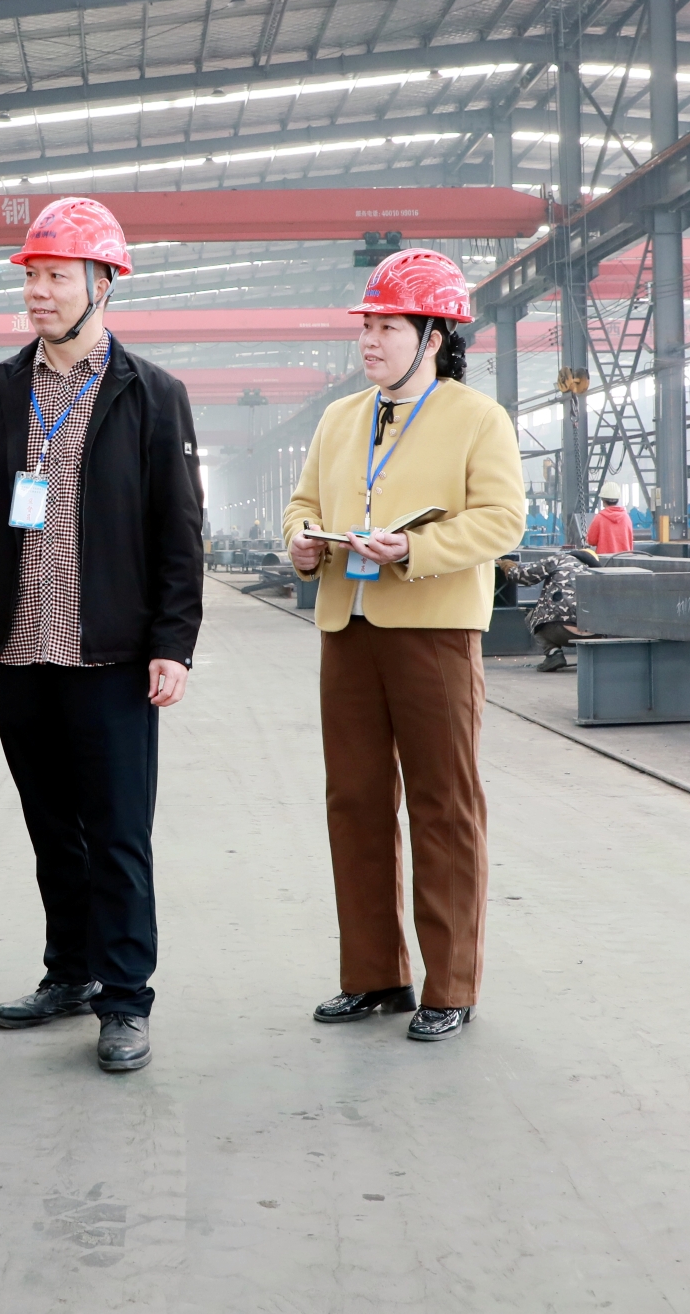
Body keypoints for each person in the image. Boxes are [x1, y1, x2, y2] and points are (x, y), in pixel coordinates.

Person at [0, 197, 205, 1075]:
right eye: (31, 276)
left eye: (56, 276)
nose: (38, 292)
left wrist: (173, 642)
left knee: (118, 834)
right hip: (20, 650)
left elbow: (180, 533)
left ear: (104, 284)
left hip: (111, 655)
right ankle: (70, 972)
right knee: (52, 828)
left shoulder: (152, 395)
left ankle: (125, 997)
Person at [283, 249, 525, 1044]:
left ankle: (450, 984)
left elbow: (502, 520)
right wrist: (302, 542)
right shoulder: (340, 419)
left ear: (433, 337)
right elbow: (303, 502)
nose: (370, 340)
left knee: (442, 805)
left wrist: (415, 550)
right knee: (353, 801)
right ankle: (373, 976)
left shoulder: (477, 419)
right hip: (347, 627)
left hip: (434, 629)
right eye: (367, 326)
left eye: (388, 327)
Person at [504, 547, 599, 673]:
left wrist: (509, 567)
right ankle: (602, 657)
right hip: (595, 635)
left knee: (531, 616)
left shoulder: (560, 559)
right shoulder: (600, 572)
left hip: (559, 631)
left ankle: (553, 654)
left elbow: (523, 576)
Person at [585, 483, 636, 554]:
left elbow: (591, 541)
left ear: (603, 500)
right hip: (625, 559)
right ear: (618, 500)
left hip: (605, 559)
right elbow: (630, 540)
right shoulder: (626, 517)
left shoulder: (599, 518)